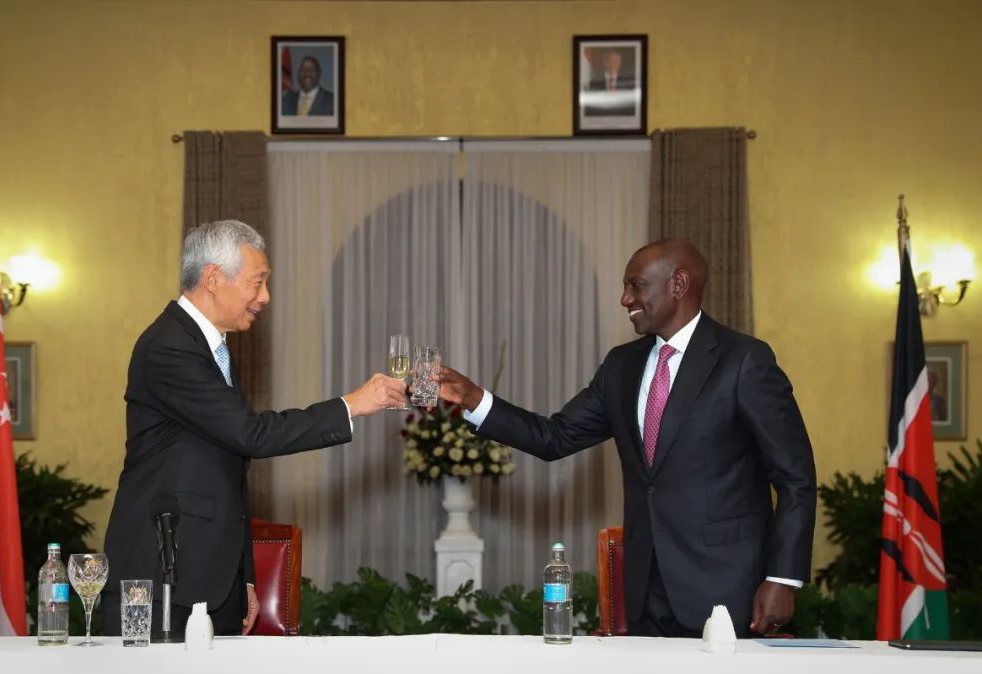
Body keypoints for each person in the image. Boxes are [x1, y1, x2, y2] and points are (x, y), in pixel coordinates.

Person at [435, 239, 816, 638]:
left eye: (636, 285)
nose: (625, 298)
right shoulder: (621, 365)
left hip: (727, 591)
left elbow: (796, 478)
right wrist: (473, 398)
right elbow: (554, 437)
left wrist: (783, 578)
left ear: (678, 284)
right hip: (645, 594)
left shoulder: (744, 360)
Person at [102, 220, 406, 636]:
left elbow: (226, 470)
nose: (265, 297)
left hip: (211, 579)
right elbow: (251, 434)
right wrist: (352, 405)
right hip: (163, 580)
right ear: (213, 278)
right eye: (257, 282)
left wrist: (242, 574)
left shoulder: (209, 347)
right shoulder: (169, 347)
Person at [584, 48, 636, 117]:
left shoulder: (630, 84)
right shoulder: (593, 84)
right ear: (603, 63)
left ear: (620, 63)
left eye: (615, 61)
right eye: (608, 61)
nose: (612, 64)